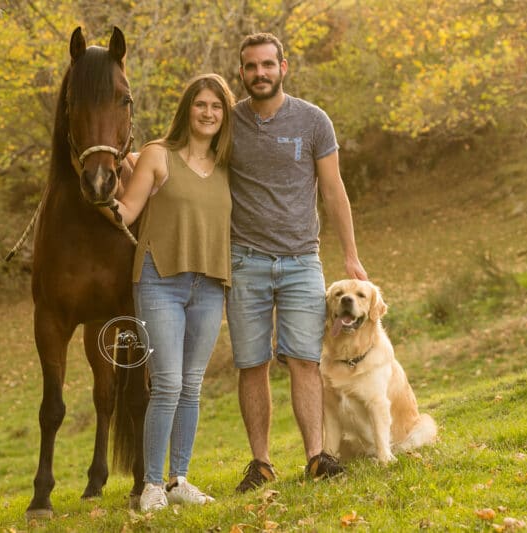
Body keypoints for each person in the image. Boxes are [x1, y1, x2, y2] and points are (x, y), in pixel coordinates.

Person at [226, 32, 369, 493]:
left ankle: (315, 457)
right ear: (242, 72)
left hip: (301, 261)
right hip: (245, 261)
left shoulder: (313, 121)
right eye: (251, 67)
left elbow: (333, 191)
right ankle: (261, 463)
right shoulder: (228, 124)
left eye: (268, 65)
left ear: (283, 67)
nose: (260, 74)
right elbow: (185, 157)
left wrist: (350, 255)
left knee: (305, 361)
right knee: (252, 364)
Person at [101, 73, 236, 512]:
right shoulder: (158, 155)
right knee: (167, 384)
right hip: (160, 280)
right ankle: (152, 485)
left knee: (192, 387)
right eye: (201, 104)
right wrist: (101, 192)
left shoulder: (228, 164)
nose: (209, 113)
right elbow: (127, 210)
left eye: (217, 107)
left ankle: (179, 479)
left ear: (224, 114)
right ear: (187, 109)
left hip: (210, 284)